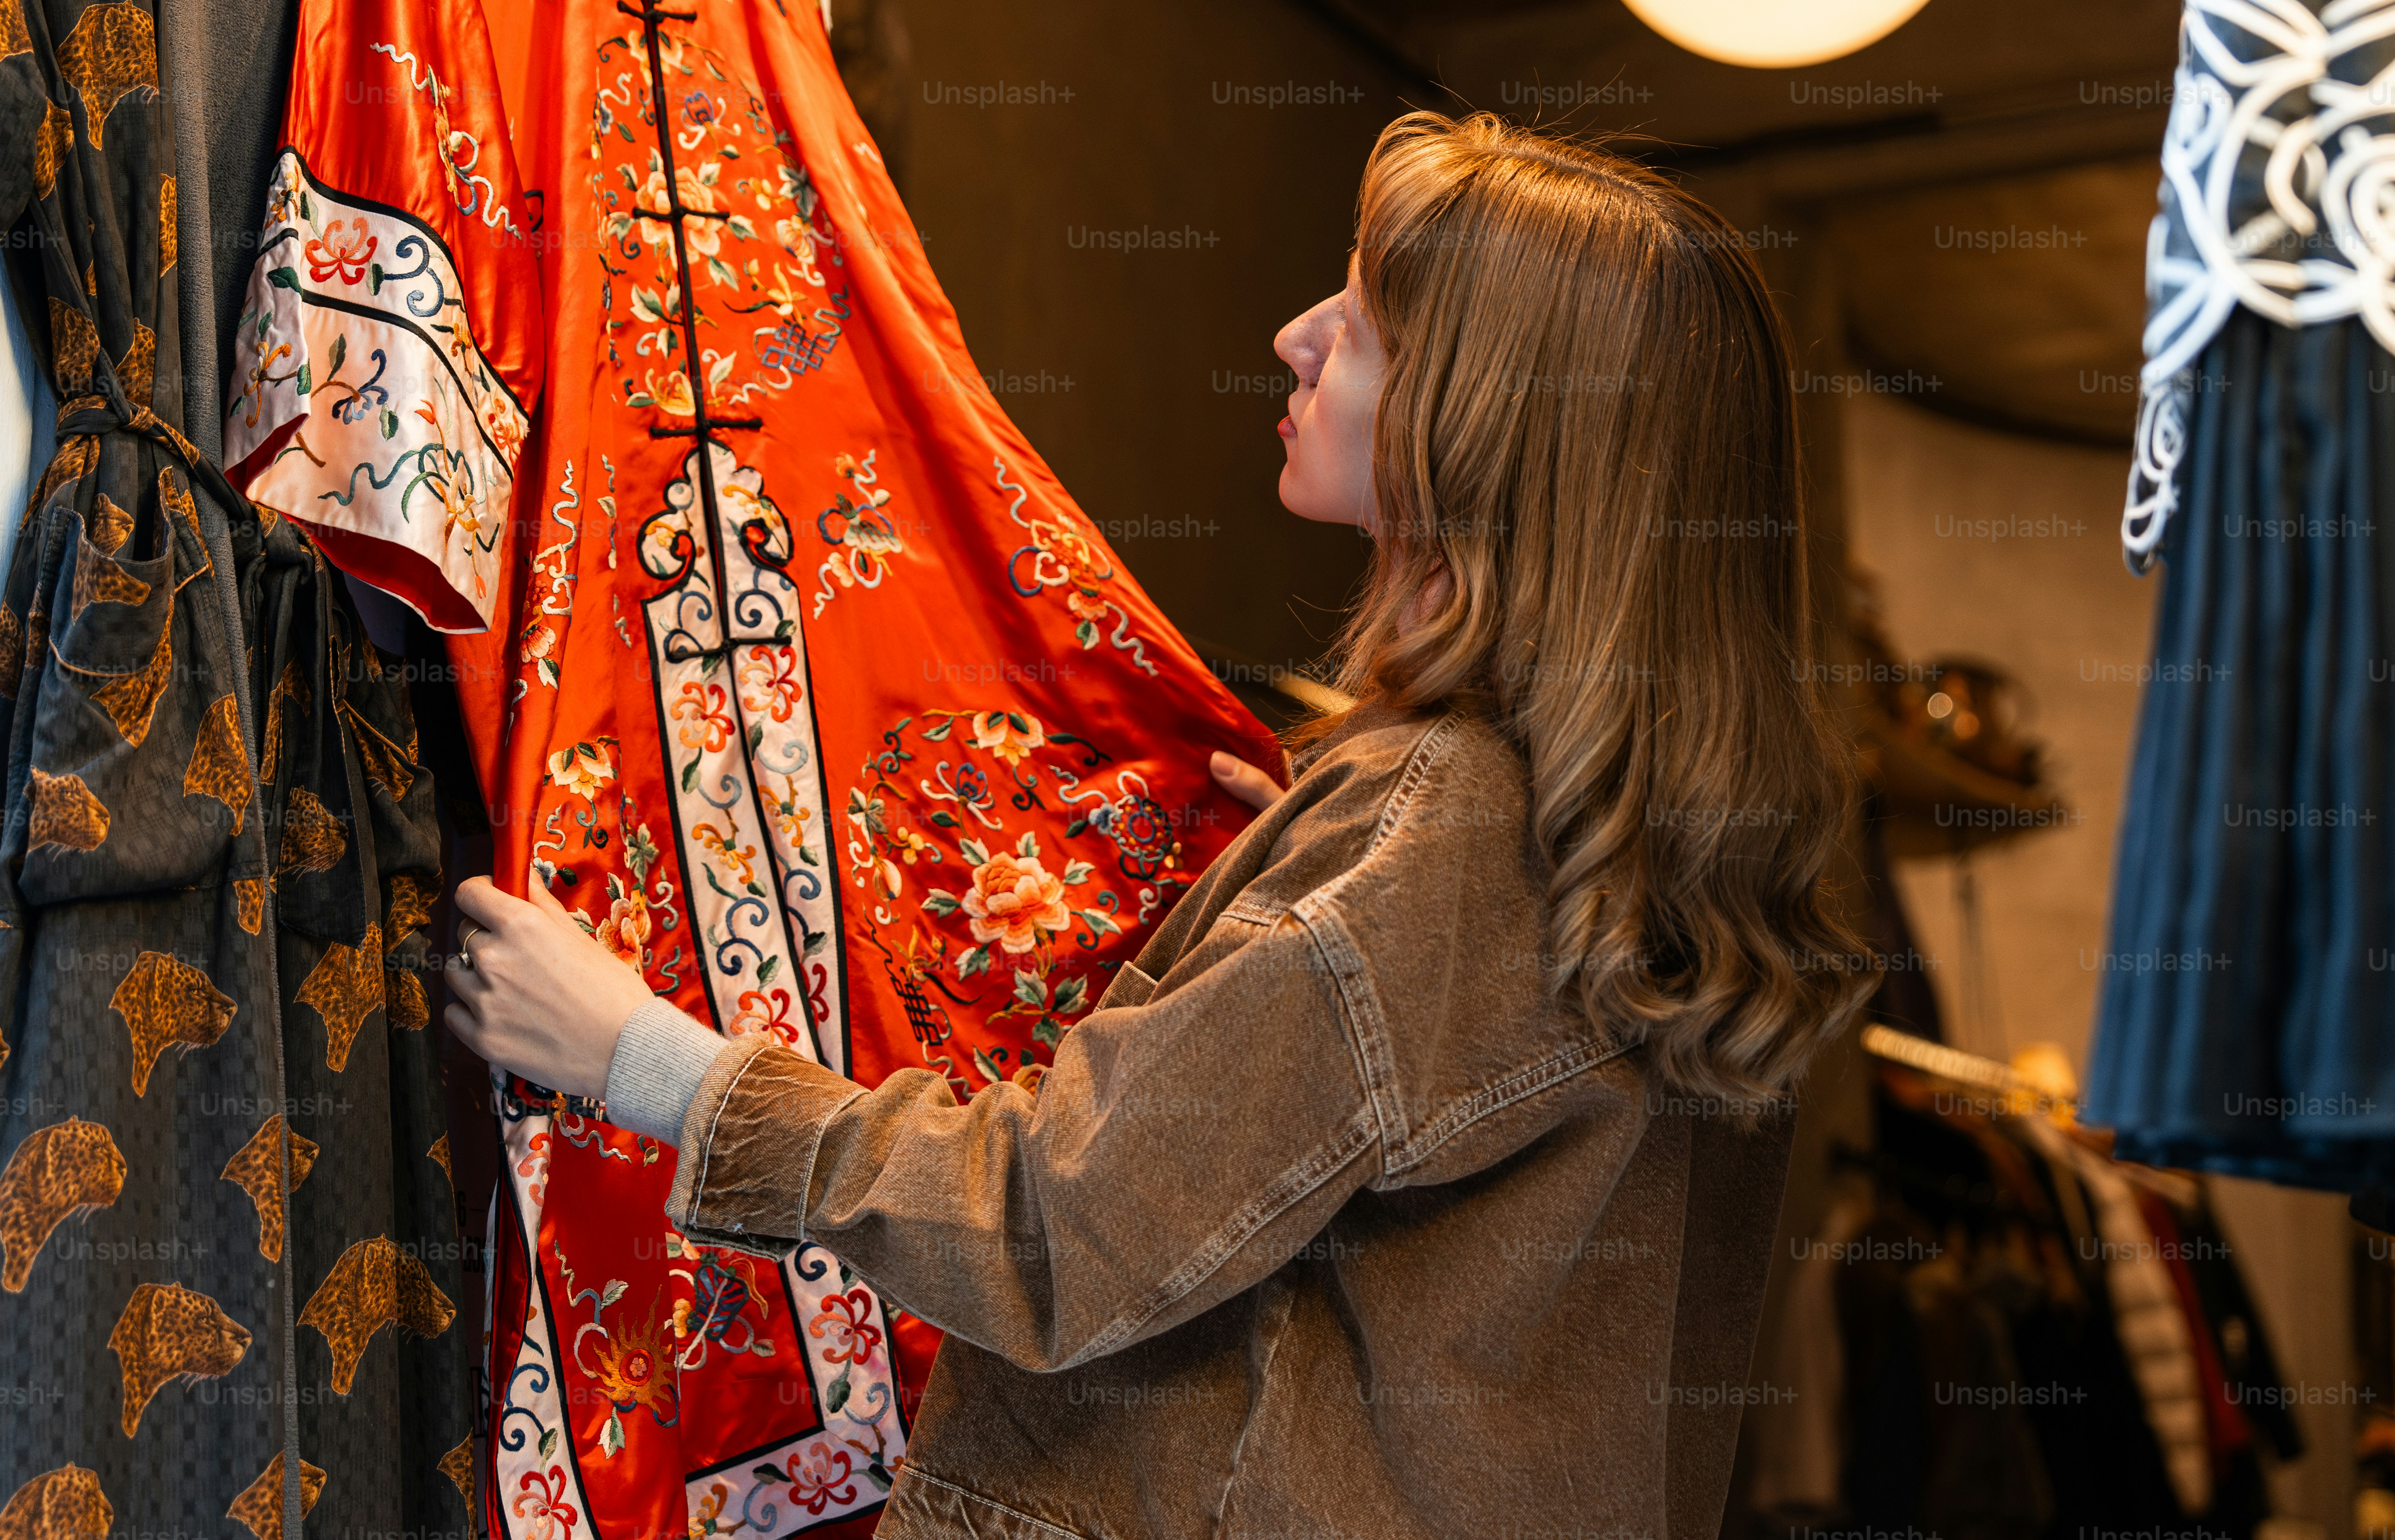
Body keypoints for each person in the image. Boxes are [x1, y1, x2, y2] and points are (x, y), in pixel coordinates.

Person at [441, 111, 1872, 1540]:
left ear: (1495, 420)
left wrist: (640, 1059)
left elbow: (1060, 1229)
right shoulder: (1655, 839)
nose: (1296, 337)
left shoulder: (1442, 824)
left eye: (1365, 322)